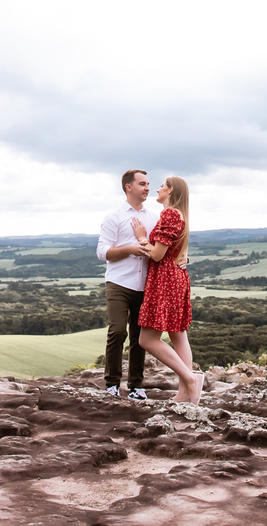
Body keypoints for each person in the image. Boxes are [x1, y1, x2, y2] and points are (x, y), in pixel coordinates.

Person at [134, 176, 203, 404]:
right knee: (178, 335)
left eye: (162, 186)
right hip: (176, 278)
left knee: (146, 339)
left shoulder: (170, 214)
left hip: (164, 279)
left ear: (171, 190)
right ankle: (187, 393)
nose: (158, 188)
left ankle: (189, 378)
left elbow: (157, 254)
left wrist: (142, 238)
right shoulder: (180, 215)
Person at [96, 169, 158, 399]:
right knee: (118, 330)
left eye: (149, 184)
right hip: (119, 283)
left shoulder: (154, 218)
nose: (147, 188)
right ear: (128, 187)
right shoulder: (114, 217)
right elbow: (102, 252)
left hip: (145, 285)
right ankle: (112, 384)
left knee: (139, 337)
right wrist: (129, 249)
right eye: (142, 184)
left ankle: (136, 387)